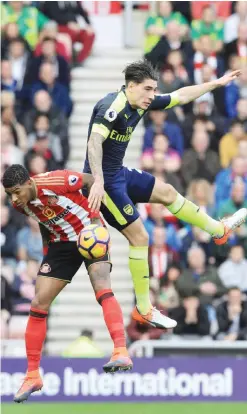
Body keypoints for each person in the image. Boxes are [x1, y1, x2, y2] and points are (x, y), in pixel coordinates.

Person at [83, 59, 247, 328]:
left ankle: (219, 230)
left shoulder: (141, 101)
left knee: (169, 192)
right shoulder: (112, 107)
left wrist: (215, 83)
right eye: (148, 89)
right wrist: (98, 181)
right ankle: (144, 308)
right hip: (102, 183)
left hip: (118, 174)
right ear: (131, 86)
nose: (152, 96)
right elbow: (93, 141)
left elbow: (180, 95)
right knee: (141, 236)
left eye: (154, 90)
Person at [2, 164, 135, 403]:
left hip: (89, 233)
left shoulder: (59, 180)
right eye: (9, 193)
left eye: (16, 191)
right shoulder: (19, 204)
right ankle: (32, 374)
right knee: (38, 303)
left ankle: (121, 350)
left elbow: (93, 181)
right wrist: (47, 251)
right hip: (61, 243)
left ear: (29, 183)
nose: (14, 198)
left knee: (102, 286)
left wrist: (95, 221)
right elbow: (43, 220)